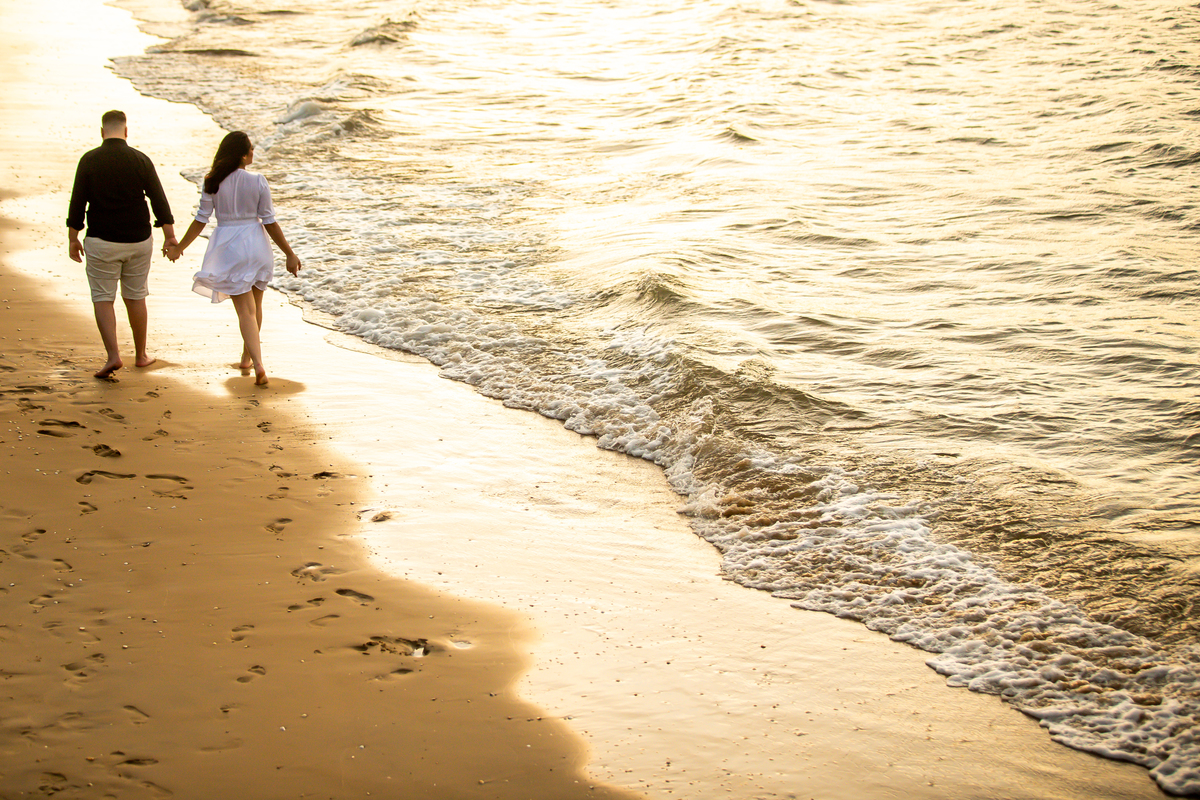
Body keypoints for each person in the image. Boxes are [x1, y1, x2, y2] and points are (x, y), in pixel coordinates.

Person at [166, 131, 301, 387]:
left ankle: (258, 364)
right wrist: (289, 253)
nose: (253, 153)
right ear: (241, 154)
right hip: (257, 244)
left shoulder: (212, 182)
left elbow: (201, 219)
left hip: (230, 247)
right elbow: (269, 221)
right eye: (250, 149)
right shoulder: (258, 181)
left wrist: (180, 247)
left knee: (245, 311)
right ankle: (246, 358)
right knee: (256, 305)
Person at [67, 109, 177, 379]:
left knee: (103, 298)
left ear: (102, 131)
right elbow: (158, 199)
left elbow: (77, 201)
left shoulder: (89, 160)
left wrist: (73, 237)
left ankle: (114, 355)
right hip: (138, 240)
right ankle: (141, 355)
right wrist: (170, 235)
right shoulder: (140, 159)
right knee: (136, 296)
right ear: (126, 132)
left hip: (102, 241)